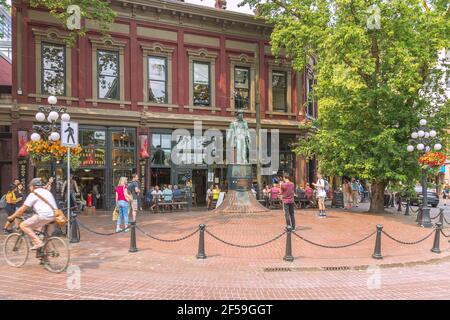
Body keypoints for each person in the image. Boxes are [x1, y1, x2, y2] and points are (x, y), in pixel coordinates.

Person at [6, 178, 56, 250]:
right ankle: (44, 258)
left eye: (30, 186)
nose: (29, 188)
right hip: (54, 216)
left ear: (33, 186)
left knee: (23, 225)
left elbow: (23, 208)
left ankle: (38, 242)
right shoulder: (47, 192)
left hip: (43, 216)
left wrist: (12, 217)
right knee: (43, 235)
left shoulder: (33, 194)